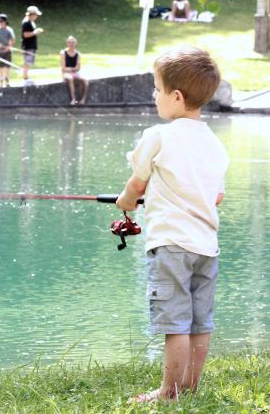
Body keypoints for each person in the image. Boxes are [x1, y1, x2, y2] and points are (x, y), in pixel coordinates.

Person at [116, 47, 229, 403]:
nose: (154, 96)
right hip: (206, 246)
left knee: (174, 322)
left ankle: (169, 392)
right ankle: (190, 387)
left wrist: (126, 201)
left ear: (176, 97)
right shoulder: (214, 144)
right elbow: (217, 197)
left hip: (171, 246)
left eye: (157, 89)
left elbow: (138, 183)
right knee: (199, 322)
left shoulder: (158, 136)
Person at [60, 35, 88, 105]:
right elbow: (63, 68)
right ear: (67, 43)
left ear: (75, 43)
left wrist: (71, 69)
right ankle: (73, 99)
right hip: (66, 73)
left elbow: (78, 67)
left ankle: (83, 99)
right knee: (70, 78)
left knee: (85, 80)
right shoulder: (63, 53)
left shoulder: (77, 53)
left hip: (75, 72)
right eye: (69, 42)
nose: (71, 44)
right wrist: (73, 69)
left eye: (73, 42)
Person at [0, 13, 15, 88]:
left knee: (7, 67)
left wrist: (9, 46)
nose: (0, 23)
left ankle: (7, 81)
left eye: (1, 21)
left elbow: (12, 40)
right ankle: (0, 83)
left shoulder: (9, 30)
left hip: (7, 52)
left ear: (5, 22)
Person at [21, 5, 43, 86]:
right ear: (31, 14)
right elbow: (25, 34)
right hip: (27, 46)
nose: (36, 16)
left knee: (29, 63)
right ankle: (25, 79)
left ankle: (26, 78)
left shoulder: (31, 22)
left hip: (31, 45)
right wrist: (35, 32)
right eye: (36, 15)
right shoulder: (26, 22)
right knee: (27, 63)